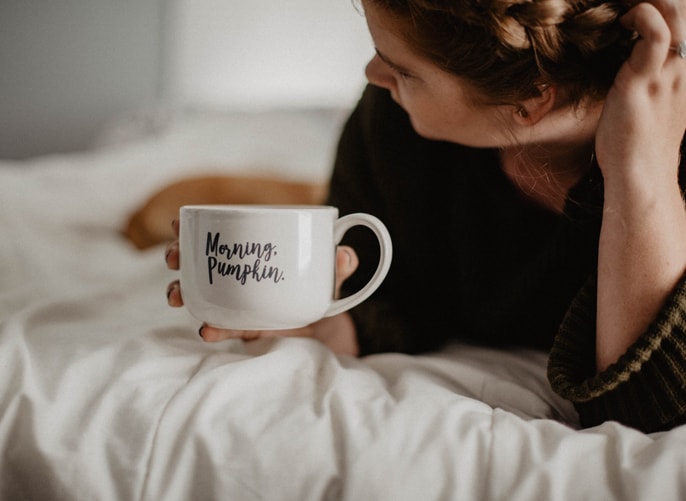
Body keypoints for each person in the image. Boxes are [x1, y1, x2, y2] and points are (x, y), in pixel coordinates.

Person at [165, 0, 686, 433]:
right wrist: (324, 324)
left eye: (404, 71)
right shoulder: (390, 128)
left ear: (531, 100)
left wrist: (642, 172)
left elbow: (645, 417)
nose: (374, 75)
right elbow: (398, 301)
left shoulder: (670, 165)